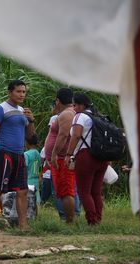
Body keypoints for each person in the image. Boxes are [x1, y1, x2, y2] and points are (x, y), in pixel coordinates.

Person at [0, 80, 35, 233]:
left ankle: (23, 226)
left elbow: (30, 136)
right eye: (18, 91)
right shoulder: (1, 108)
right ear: (10, 92)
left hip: (19, 155)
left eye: (24, 92)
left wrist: (31, 120)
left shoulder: (23, 110)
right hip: (5, 154)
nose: (22, 94)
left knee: (22, 191)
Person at [65, 92, 108, 225]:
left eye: (75, 105)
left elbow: (76, 135)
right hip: (102, 157)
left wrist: (68, 154)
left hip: (85, 157)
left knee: (84, 192)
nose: (73, 108)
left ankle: (92, 221)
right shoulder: (99, 116)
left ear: (81, 105)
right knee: (96, 191)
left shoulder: (80, 116)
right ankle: (98, 220)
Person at [44, 88, 77, 224]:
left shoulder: (67, 114)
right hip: (60, 158)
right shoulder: (65, 113)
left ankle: (70, 222)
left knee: (66, 191)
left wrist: (54, 155)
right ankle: (68, 220)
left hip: (63, 158)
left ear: (58, 100)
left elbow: (63, 135)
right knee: (63, 191)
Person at [24, 134, 42, 204]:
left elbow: (24, 167)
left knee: (29, 196)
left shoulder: (26, 154)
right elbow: (40, 167)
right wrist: (40, 177)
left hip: (28, 179)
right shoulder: (38, 153)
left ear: (27, 142)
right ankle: (38, 207)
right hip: (36, 178)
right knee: (36, 194)